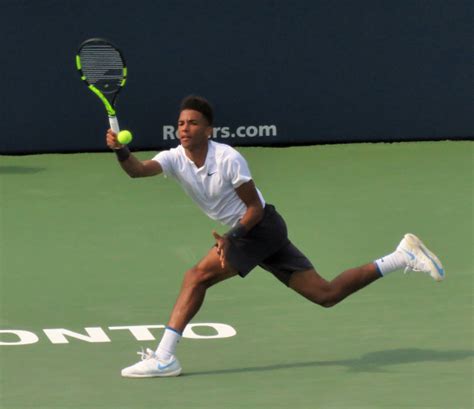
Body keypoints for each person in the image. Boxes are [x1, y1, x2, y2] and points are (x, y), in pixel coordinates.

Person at [106, 95, 445, 378]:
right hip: (258, 234)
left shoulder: (227, 159)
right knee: (325, 294)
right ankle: (403, 255)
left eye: (192, 123)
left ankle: (165, 357)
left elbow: (254, 209)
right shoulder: (174, 158)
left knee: (195, 277)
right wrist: (120, 151)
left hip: (258, 227)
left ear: (208, 130)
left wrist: (232, 237)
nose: (184, 128)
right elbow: (137, 170)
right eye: (181, 123)